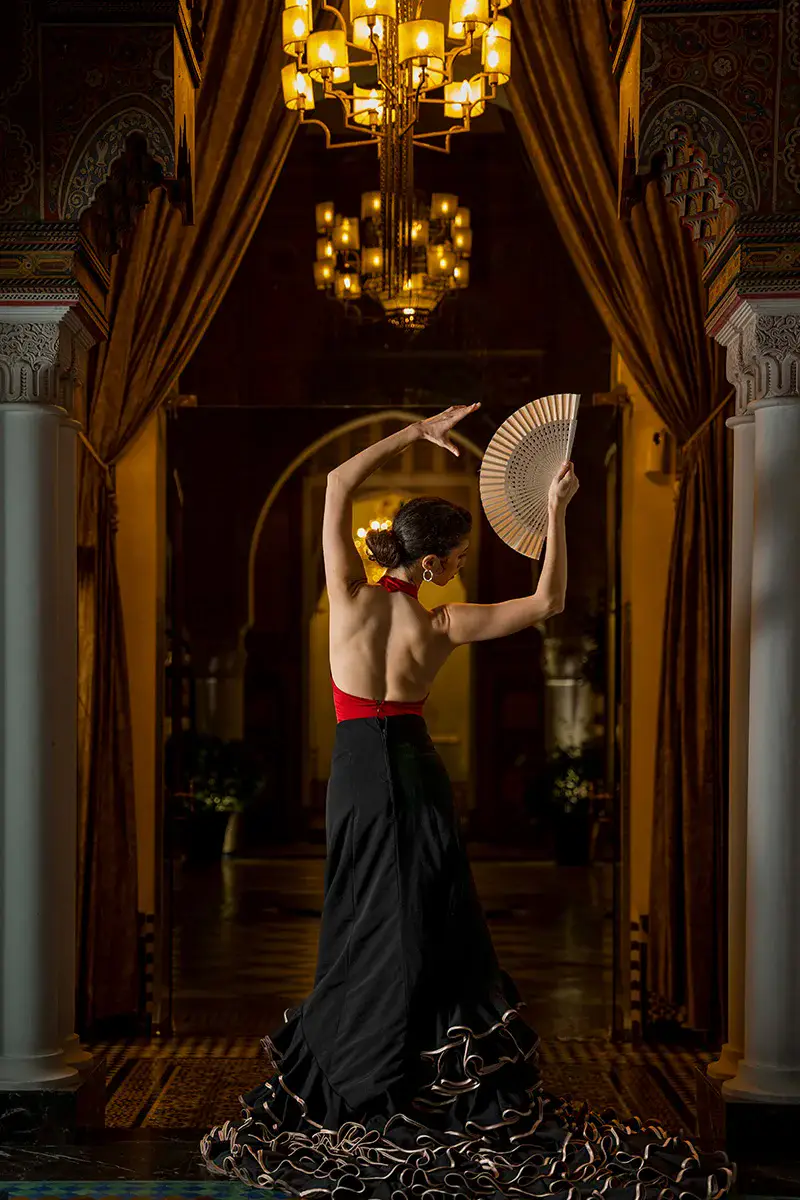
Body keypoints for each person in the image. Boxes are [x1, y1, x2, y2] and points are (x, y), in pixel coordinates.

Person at [201, 407, 732, 1198]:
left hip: (355, 768)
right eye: (458, 555)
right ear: (439, 559)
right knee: (430, 918)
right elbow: (549, 602)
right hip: (413, 768)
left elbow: (343, 479)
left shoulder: (344, 592)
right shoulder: (442, 622)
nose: (460, 565)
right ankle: (425, 1069)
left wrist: (414, 433)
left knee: (360, 914)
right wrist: (556, 509)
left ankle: (357, 1065)